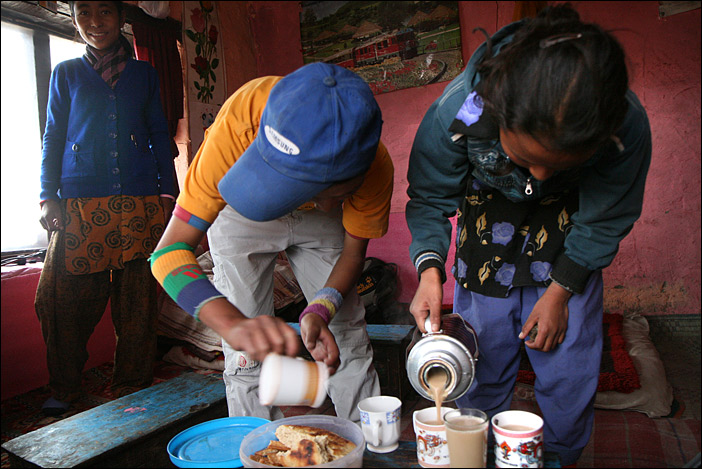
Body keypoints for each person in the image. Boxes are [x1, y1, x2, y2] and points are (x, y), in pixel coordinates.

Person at [405, 4, 651, 466]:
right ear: (498, 118)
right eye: (524, 157)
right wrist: (430, 272)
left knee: (569, 367)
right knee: (480, 360)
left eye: (559, 164)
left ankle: (560, 457)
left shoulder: (621, 124)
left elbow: (604, 220)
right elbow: (431, 197)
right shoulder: (463, 110)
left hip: (566, 243)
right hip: (485, 241)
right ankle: (476, 452)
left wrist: (560, 292)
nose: (538, 177)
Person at [150, 62, 394, 422]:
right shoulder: (238, 125)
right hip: (239, 210)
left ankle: (367, 443)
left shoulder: (375, 169)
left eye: (339, 196)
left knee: (346, 336)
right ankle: (257, 445)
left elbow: (353, 256)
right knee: (245, 356)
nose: (329, 206)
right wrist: (233, 324)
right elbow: (168, 253)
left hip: (319, 213)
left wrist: (319, 310)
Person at [37, 0, 176, 415]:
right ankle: (66, 387)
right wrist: (47, 195)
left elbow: (158, 133)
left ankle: (133, 386)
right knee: (57, 299)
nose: (94, 22)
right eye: (83, 13)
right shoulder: (66, 73)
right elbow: (53, 135)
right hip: (79, 202)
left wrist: (167, 193)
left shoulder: (144, 74)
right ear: (74, 18)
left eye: (105, 12)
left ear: (121, 18)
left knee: (137, 302)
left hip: (140, 201)